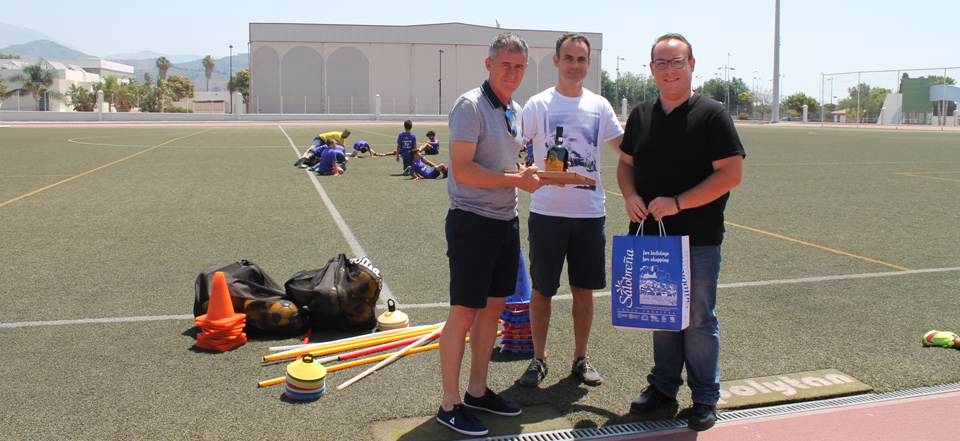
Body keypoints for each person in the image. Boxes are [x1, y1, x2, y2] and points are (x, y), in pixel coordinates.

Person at [617, 33, 745, 432]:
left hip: (699, 237)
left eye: (677, 62)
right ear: (652, 69)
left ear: (692, 64)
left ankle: (705, 397)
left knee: (698, 319)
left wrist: (678, 203)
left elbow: (731, 175)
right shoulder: (641, 115)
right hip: (653, 237)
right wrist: (631, 194)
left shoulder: (712, 115)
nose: (669, 70)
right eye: (662, 63)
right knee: (663, 315)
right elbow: (625, 164)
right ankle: (663, 387)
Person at [436, 32, 543, 437]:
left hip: (505, 222)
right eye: (505, 65)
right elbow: (462, 169)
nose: (512, 73)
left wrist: (525, 174)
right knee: (463, 312)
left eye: (519, 67)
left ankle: (477, 390)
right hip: (472, 222)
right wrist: (517, 180)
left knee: (493, 309)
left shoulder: (513, 108)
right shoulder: (469, 105)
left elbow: (503, 162)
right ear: (489, 64)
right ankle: (450, 403)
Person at [517, 33, 624, 389]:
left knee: (583, 290)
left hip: (589, 214)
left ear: (587, 64)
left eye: (581, 59)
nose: (575, 65)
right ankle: (538, 358)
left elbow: (625, 148)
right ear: (556, 61)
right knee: (542, 291)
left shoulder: (600, 106)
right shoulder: (537, 105)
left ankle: (581, 357)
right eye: (569, 58)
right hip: (547, 213)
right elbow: (515, 148)